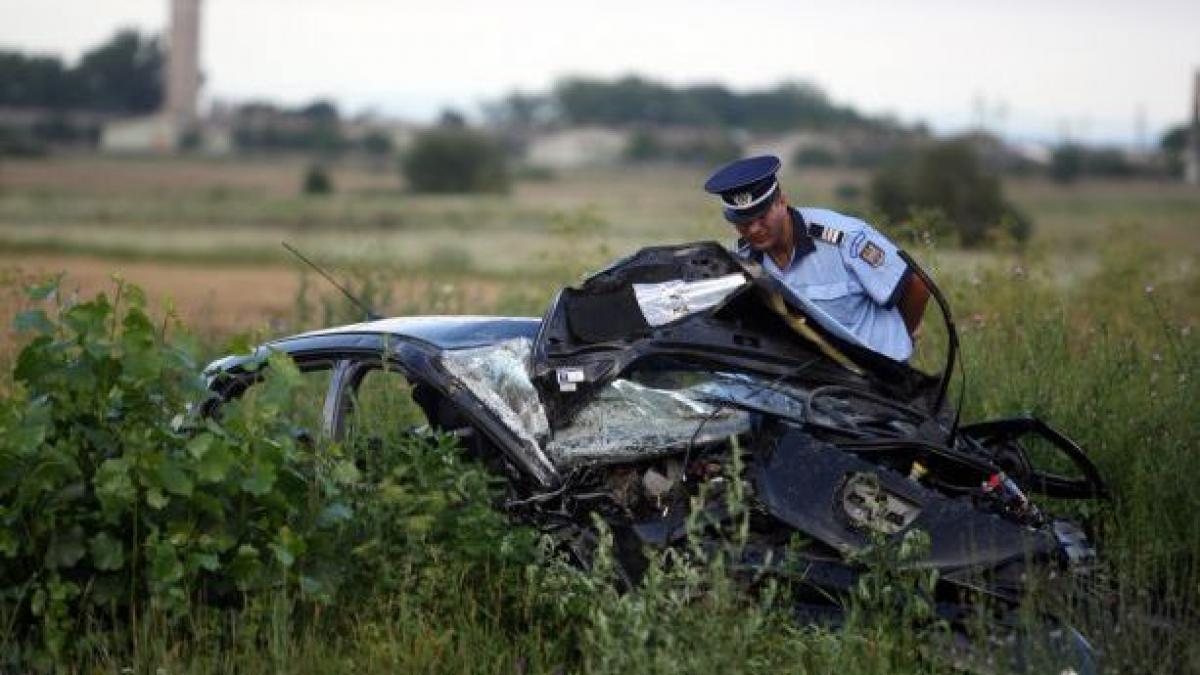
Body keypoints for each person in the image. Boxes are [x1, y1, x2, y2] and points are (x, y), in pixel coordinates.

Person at [704, 155, 929, 362]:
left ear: (782, 202)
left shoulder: (845, 239)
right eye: (743, 222)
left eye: (762, 216)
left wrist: (901, 339)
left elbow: (915, 285)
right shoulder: (742, 262)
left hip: (880, 375)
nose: (754, 229)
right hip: (814, 378)